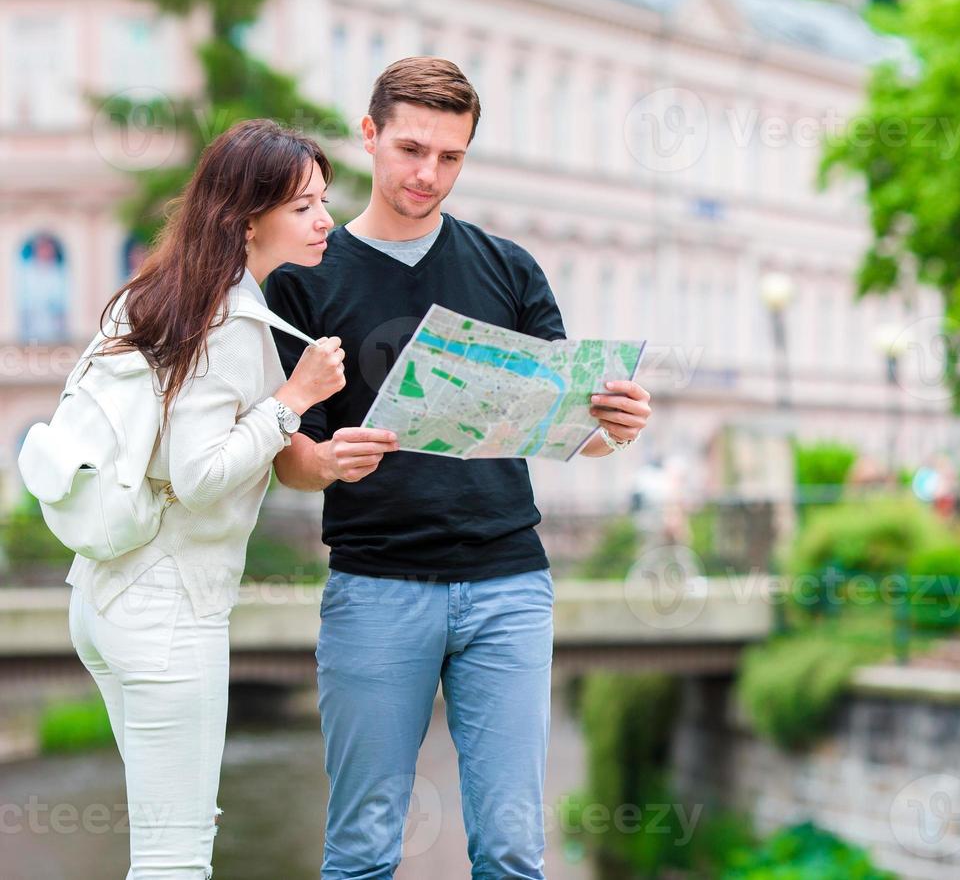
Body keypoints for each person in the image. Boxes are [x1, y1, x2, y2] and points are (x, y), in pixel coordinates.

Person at [265, 57, 654, 880]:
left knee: (513, 851)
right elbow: (286, 459)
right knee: (363, 849)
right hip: (376, 586)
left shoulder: (508, 269)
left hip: (508, 582)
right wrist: (329, 461)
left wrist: (614, 428)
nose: (427, 174)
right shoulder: (304, 278)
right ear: (368, 136)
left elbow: (564, 428)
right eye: (411, 149)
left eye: (451, 157)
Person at [67, 119, 347, 878]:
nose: (326, 220)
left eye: (324, 201)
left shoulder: (154, 295)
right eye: (304, 207)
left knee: (168, 839)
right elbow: (198, 472)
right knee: (174, 857)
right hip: (169, 608)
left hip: (104, 592)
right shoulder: (224, 317)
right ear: (246, 216)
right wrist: (295, 397)